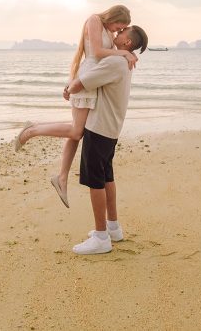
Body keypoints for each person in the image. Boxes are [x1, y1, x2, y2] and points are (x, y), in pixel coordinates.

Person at [13, 5, 138, 208]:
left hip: (93, 80)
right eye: (118, 26)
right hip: (88, 77)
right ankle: (32, 130)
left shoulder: (107, 30)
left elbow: (107, 57)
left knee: (76, 132)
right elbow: (97, 53)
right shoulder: (94, 20)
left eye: (121, 29)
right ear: (113, 17)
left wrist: (125, 53)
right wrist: (123, 52)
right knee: (75, 131)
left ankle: (62, 178)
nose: (117, 31)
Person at [65, 24, 148, 255]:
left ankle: (101, 237)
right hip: (111, 128)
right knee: (107, 177)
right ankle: (113, 228)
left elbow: (83, 82)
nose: (116, 33)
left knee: (95, 182)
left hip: (99, 127)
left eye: (121, 32)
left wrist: (68, 89)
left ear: (127, 42)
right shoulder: (125, 61)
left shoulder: (115, 62)